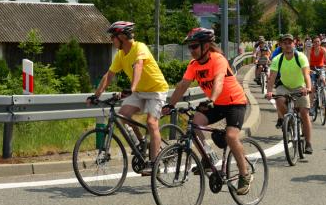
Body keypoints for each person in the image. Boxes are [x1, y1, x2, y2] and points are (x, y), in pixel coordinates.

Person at [163, 27, 252, 195]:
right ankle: (208, 157)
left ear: (206, 46)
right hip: (217, 103)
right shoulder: (194, 65)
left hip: (235, 102)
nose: (191, 50)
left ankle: (244, 174)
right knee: (194, 124)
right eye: (189, 47)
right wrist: (170, 105)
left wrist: (211, 99)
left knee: (231, 136)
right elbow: (183, 85)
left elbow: (219, 81)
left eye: (194, 46)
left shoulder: (217, 59)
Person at [90, 21, 169, 174]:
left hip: (156, 90)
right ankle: (141, 142)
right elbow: (109, 76)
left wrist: (131, 88)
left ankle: (155, 164)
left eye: (112, 37)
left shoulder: (140, 47)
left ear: (121, 37)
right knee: (123, 115)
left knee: (151, 123)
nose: (111, 40)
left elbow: (138, 66)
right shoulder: (120, 55)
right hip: (139, 91)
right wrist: (96, 95)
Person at [265, 33, 314, 154]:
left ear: (294, 44)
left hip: (300, 86)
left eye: (290, 43)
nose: (288, 45)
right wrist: (269, 91)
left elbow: (306, 75)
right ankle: (288, 119)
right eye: (285, 43)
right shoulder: (277, 59)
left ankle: (308, 143)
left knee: (304, 113)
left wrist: (308, 88)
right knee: (279, 100)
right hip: (285, 86)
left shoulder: (300, 57)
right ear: (281, 45)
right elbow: (272, 77)